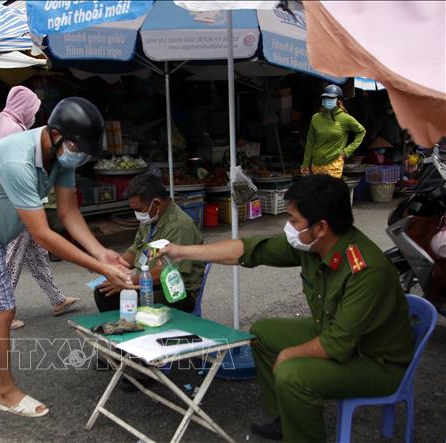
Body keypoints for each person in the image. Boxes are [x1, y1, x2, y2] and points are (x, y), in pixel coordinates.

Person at [160, 175, 414, 442]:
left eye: (293, 221)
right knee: (263, 332)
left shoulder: (365, 270)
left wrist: (289, 355)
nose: (288, 228)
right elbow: (249, 251)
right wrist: (182, 251)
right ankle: (286, 418)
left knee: (292, 373)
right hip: (335, 333)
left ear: (321, 227)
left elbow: (336, 345)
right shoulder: (312, 245)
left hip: (375, 362)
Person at [0, 97, 133, 418]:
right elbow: (43, 234)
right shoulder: (17, 162)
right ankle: (6, 392)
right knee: (3, 309)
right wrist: (100, 266)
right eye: (79, 147)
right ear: (57, 134)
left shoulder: (60, 156)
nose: (81, 155)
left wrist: (101, 251)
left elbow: (68, 210)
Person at [0, 86, 80, 331]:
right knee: (14, 257)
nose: (34, 114)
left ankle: (57, 299)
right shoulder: (13, 130)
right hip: (18, 205)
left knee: (36, 254)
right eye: (33, 108)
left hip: (17, 201)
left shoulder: (3, 122)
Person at [95, 173, 204, 314]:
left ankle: (129, 329)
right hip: (148, 281)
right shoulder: (150, 218)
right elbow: (135, 251)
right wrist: (111, 265)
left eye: (139, 210)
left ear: (157, 203)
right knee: (103, 292)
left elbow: (167, 272)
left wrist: (128, 282)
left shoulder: (179, 226)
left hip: (176, 290)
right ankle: (122, 329)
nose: (137, 214)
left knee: (133, 302)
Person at [301, 84, 366, 178]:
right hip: (316, 163)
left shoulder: (345, 118)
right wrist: (305, 164)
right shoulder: (316, 118)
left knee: (331, 190)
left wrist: (348, 151)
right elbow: (310, 143)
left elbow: (361, 132)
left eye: (331, 98)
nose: (327, 100)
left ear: (339, 100)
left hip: (335, 162)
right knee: (318, 191)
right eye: (325, 98)